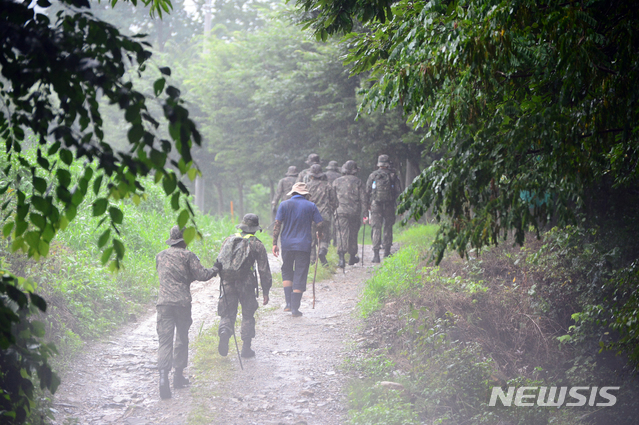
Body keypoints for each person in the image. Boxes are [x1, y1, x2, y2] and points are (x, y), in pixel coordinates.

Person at [156, 226, 220, 399]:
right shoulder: (188, 256)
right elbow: (202, 275)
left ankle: (163, 379)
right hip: (182, 304)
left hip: (163, 304)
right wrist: (215, 269)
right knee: (181, 339)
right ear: (184, 240)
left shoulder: (160, 256)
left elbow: (166, 276)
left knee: (165, 342)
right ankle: (177, 377)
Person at [217, 214, 272, 359]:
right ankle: (246, 349)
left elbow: (219, 262)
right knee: (248, 315)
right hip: (246, 284)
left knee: (227, 313)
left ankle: (224, 332)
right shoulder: (257, 245)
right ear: (254, 229)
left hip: (227, 282)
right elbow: (263, 270)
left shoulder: (228, 240)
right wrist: (265, 291)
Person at [272, 182, 325, 317]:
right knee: (300, 272)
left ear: (293, 193)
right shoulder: (311, 205)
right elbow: (319, 223)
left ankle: (288, 304)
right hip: (303, 245)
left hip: (287, 244)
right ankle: (295, 309)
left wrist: (274, 243)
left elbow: (277, 224)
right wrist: (319, 233)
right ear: (306, 194)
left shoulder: (284, 204)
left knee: (287, 269)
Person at [365, 154, 403, 263]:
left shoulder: (373, 175)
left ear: (379, 164)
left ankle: (376, 255)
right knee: (388, 227)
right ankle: (387, 252)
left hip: (375, 204)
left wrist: (367, 205)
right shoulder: (393, 175)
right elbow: (398, 192)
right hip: (389, 204)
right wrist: (399, 205)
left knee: (376, 228)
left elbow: (367, 191)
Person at [333, 160, 367, 268]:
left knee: (341, 233)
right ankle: (352, 256)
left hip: (340, 211)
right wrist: (365, 213)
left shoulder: (336, 181)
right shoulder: (358, 181)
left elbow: (333, 199)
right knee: (353, 233)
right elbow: (364, 199)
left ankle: (341, 259)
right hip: (354, 212)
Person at [306, 164, 338, 266]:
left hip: (309, 216)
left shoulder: (306, 186)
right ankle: (322, 251)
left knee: (311, 238)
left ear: (311, 175)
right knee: (324, 236)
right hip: (324, 215)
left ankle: (311, 261)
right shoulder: (328, 185)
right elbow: (334, 202)